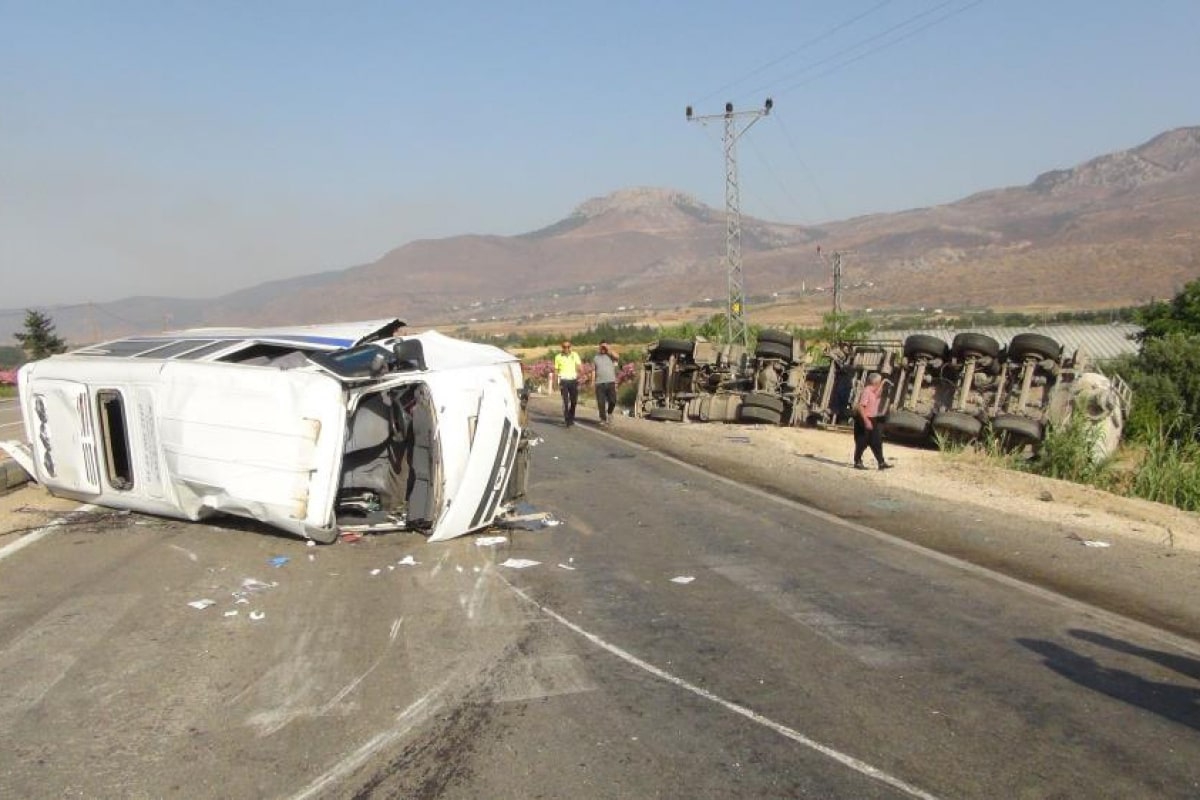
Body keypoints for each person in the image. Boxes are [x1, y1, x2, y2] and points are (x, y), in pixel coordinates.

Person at [853, 372, 893, 470]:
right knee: (862, 442)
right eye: (879, 382)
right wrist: (866, 421)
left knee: (877, 441)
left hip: (872, 418)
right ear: (875, 383)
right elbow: (860, 407)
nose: (880, 385)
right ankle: (857, 462)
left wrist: (883, 382)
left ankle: (881, 463)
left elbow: (878, 392)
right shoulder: (866, 391)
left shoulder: (873, 391)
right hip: (864, 418)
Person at [554, 340, 583, 427]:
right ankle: (567, 418)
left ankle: (571, 417)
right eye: (564, 347)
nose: (566, 349)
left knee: (574, 401)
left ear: (571, 347)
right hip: (564, 381)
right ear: (562, 347)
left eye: (568, 347)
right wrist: (555, 382)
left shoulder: (575, 355)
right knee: (565, 401)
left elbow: (579, 366)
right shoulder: (558, 357)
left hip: (573, 381)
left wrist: (579, 370)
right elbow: (556, 370)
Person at [592, 342, 619, 426]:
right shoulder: (596, 357)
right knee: (601, 402)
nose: (603, 348)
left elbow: (617, 356)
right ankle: (603, 419)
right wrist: (592, 382)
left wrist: (608, 348)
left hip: (610, 382)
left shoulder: (611, 356)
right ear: (599, 347)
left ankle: (610, 413)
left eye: (604, 347)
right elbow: (593, 370)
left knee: (613, 401)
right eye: (602, 346)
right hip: (599, 383)